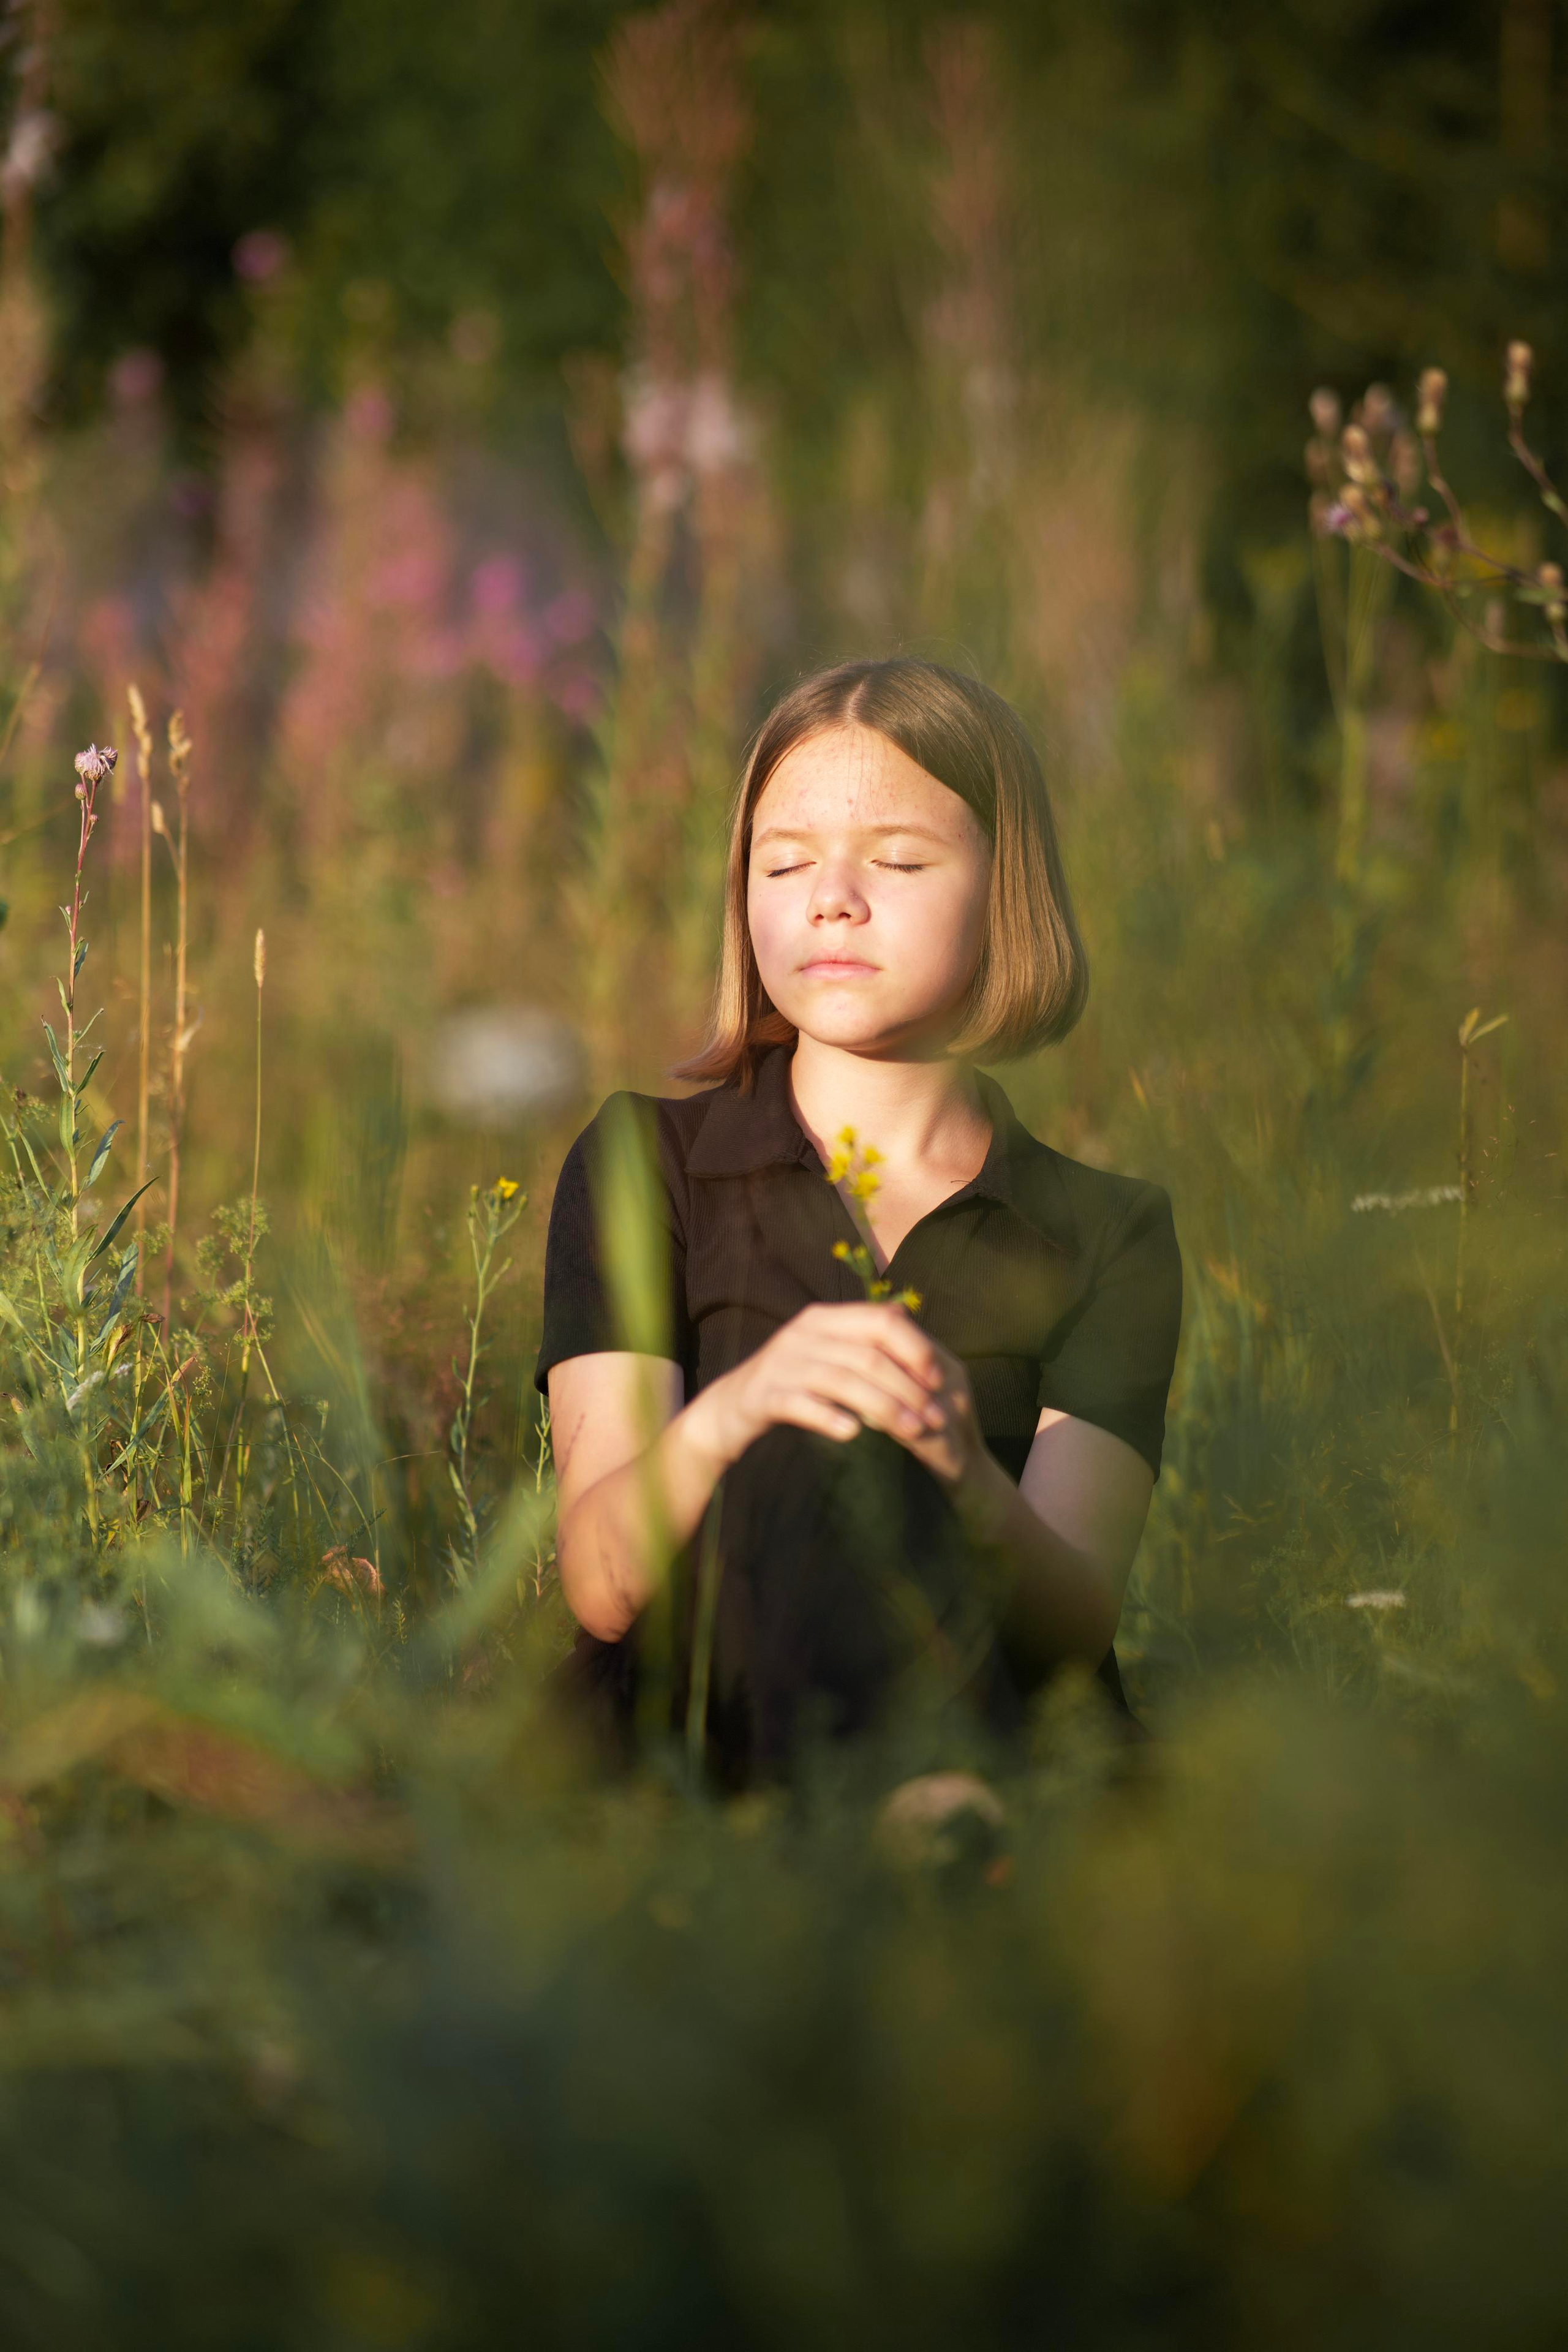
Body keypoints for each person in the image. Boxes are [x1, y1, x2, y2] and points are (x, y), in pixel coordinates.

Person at [533, 657, 1183, 1792]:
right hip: (692, 1758)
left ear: (1006, 889)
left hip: (988, 1745)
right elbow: (602, 1583)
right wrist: (740, 1410)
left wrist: (959, 1469)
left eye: (898, 860)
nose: (832, 896)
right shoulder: (646, 1165)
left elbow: (1072, 1627)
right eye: (785, 862)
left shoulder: (1105, 1232)